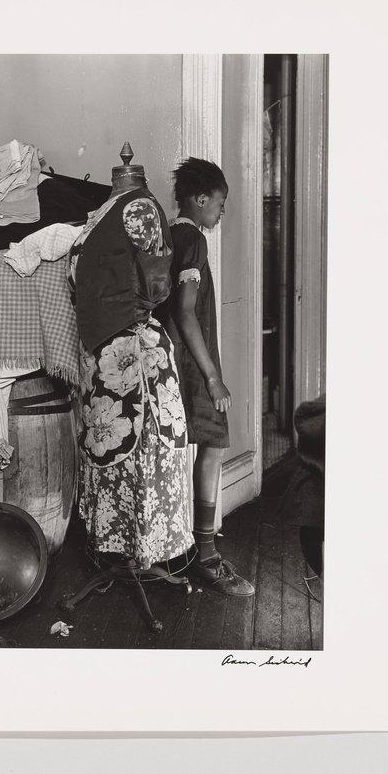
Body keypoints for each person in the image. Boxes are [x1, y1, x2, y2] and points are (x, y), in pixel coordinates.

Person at [69, 145, 192, 572]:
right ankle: (121, 549)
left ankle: (145, 552)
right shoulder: (105, 210)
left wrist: (127, 319)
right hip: (103, 358)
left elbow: (157, 286)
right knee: (109, 447)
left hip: (133, 355)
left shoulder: (141, 209)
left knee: (137, 451)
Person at [160, 157, 255, 596]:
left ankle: (197, 549)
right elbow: (184, 312)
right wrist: (213, 377)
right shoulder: (193, 239)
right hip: (191, 363)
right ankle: (207, 557)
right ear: (200, 200)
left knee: (200, 448)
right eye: (219, 204)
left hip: (173, 359)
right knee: (215, 446)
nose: (221, 213)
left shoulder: (172, 234)